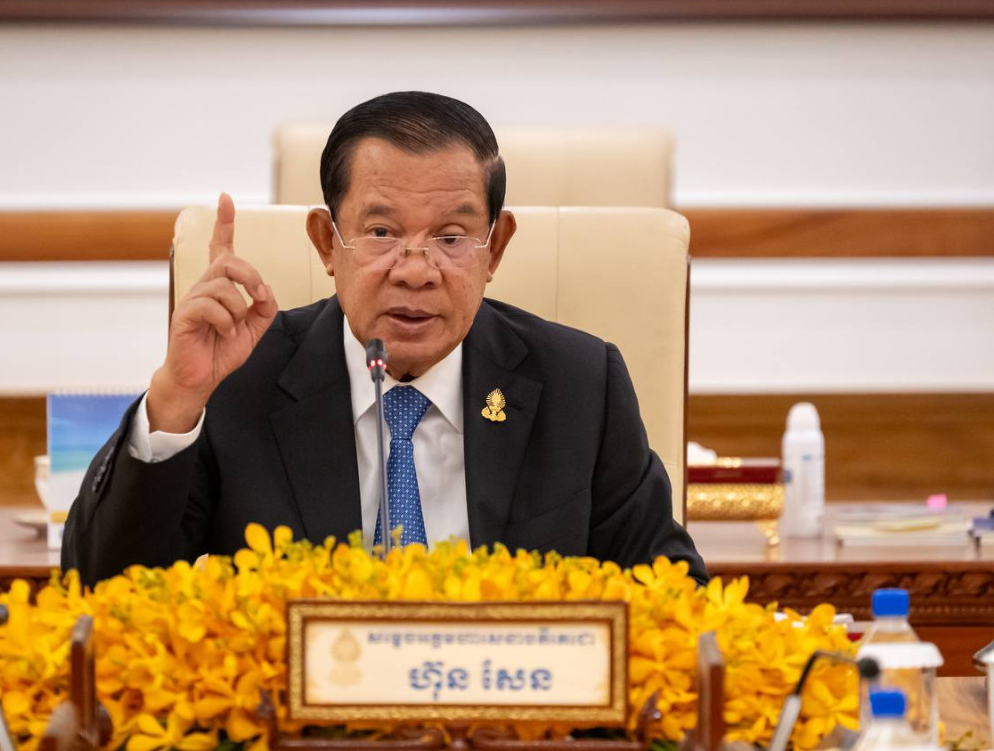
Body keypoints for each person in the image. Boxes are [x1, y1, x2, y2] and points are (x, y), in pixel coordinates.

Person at [62, 91, 708, 585]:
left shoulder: (580, 384)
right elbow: (103, 592)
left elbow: (672, 596)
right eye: (381, 233)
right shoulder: (241, 378)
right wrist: (177, 400)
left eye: (451, 237)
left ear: (495, 247)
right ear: (326, 243)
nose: (416, 271)